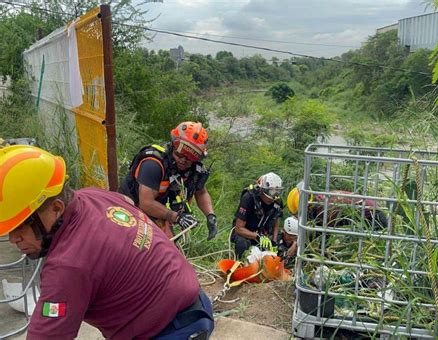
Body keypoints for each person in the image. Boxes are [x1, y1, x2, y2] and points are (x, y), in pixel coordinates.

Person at [0, 145, 214, 339]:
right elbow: (128, 201)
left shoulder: (68, 265)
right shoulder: (94, 197)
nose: (13, 238)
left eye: (22, 225)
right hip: (195, 304)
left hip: (170, 331)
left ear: (57, 208)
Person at [120, 121, 218, 240]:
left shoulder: (192, 169)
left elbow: (201, 192)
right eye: (180, 152)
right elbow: (146, 203)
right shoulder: (153, 164)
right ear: (173, 144)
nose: (183, 159)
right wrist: (177, 217)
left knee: (170, 249)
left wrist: (210, 216)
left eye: (191, 156)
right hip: (130, 208)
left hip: (157, 213)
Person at [287, 183, 387, 229]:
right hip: (363, 212)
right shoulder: (319, 199)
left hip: (373, 217)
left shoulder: (325, 210)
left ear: (307, 208)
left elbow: (325, 233)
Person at [231, 172, 284, 259]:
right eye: (272, 191)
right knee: (243, 244)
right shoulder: (249, 198)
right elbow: (239, 228)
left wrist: (274, 242)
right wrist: (256, 236)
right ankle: (239, 264)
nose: (274, 195)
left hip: (263, 234)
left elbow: (276, 222)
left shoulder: (277, 202)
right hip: (244, 233)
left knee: (277, 251)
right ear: (263, 190)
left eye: (277, 192)